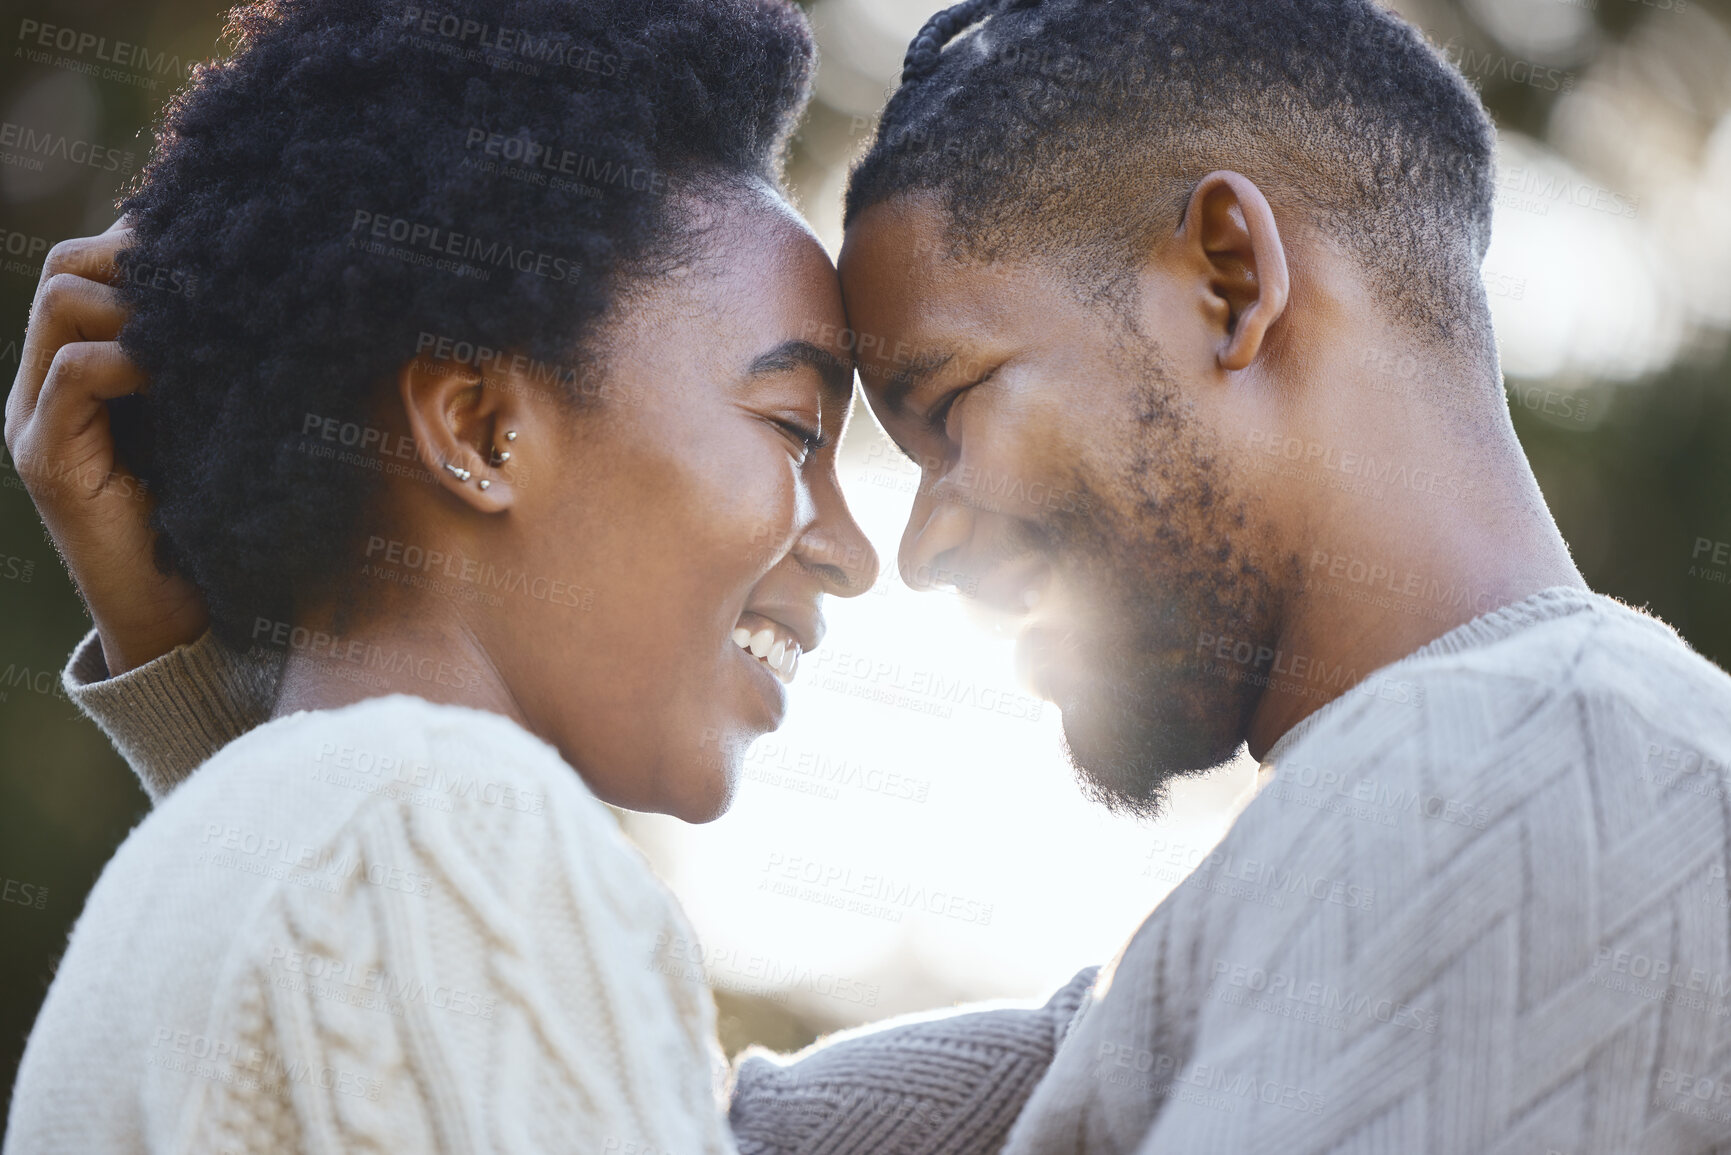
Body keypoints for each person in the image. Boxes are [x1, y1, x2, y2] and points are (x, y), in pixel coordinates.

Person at [17, 0, 1731, 1152]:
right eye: (802, 423)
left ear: (1228, 279)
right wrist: (275, 682)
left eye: (947, 406)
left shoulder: (1545, 763)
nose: (903, 544)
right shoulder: (1366, 870)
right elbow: (613, 1109)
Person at [0, 1, 1095, 1152]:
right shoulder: (444, 830)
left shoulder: (306, 863)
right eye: (788, 428)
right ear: (478, 432)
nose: (856, 554)